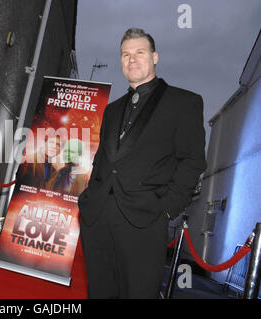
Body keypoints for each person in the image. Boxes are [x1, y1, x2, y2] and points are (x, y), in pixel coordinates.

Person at [78, 28, 206, 298]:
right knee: (100, 292)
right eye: (126, 54)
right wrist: (89, 196)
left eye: (140, 52)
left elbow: (193, 160)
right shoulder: (112, 110)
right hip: (97, 216)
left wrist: (167, 209)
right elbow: (103, 159)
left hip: (145, 219)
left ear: (155, 57)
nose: (132, 59)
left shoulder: (184, 103)